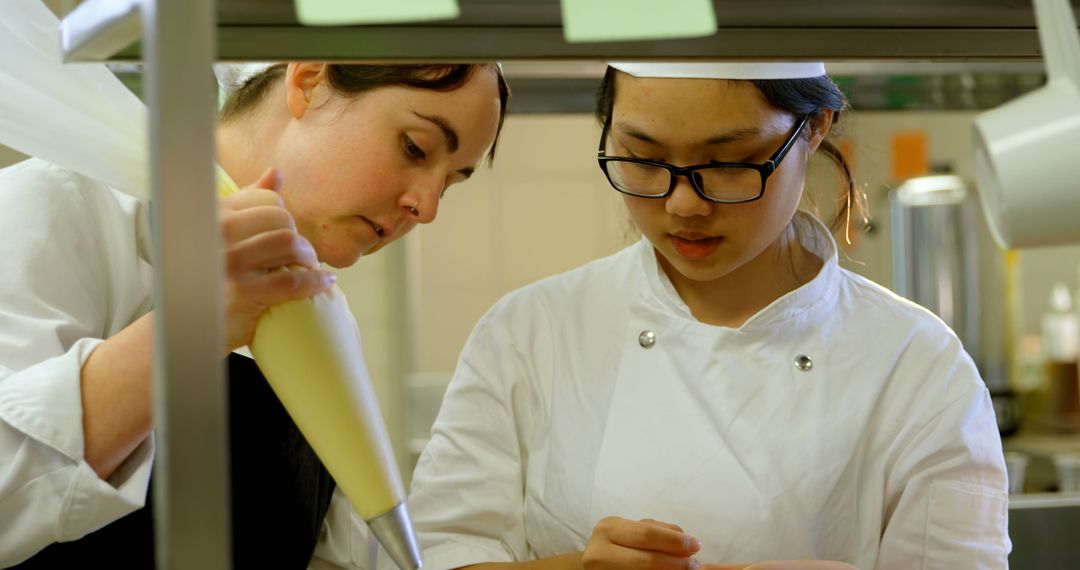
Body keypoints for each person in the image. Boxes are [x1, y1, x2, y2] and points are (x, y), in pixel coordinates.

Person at [406, 62, 1009, 570]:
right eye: (642, 159)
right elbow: (437, 552)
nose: (683, 204)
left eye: (729, 162)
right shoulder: (529, 333)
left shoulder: (918, 364)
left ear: (815, 128)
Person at [0, 62, 509, 568]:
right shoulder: (63, 207)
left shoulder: (322, 308)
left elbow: (336, 555)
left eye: (449, 183)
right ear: (309, 83)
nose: (426, 207)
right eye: (414, 148)